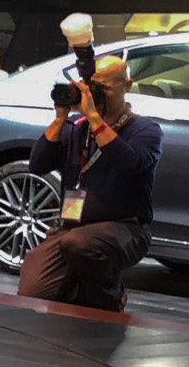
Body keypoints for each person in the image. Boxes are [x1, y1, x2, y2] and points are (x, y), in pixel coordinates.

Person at [17, 53, 163, 312]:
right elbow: (37, 165)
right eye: (92, 87)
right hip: (71, 230)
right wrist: (60, 118)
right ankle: (80, 290)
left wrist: (95, 119)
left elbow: (129, 164)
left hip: (126, 229)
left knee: (81, 244)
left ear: (127, 86)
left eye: (103, 88)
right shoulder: (75, 128)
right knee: (33, 292)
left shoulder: (145, 130)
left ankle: (111, 298)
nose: (96, 94)